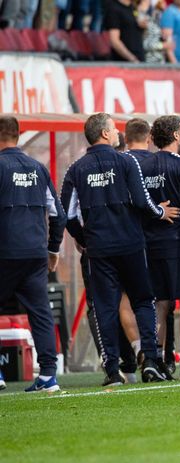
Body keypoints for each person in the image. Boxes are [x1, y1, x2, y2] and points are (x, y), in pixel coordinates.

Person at [61, 113, 180, 386]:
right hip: (131, 244)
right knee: (142, 300)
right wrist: (160, 212)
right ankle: (150, 360)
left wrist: (85, 238)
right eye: (114, 129)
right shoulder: (126, 161)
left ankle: (113, 370)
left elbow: (66, 214)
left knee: (105, 307)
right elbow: (141, 201)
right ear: (104, 134)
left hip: (99, 248)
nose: (118, 133)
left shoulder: (76, 169)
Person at [134, 115, 180, 381]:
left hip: (151, 244)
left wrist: (156, 213)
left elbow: (138, 203)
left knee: (159, 305)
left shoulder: (142, 166)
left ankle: (153, 363)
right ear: (176, 135)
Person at [0, 116, 66, 393]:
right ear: (19, 134)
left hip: (5, 252)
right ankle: (49, 376)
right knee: (40, 312)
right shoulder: (38, 168)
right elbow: (58, 214)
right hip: (36, 253)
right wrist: (52, 249)